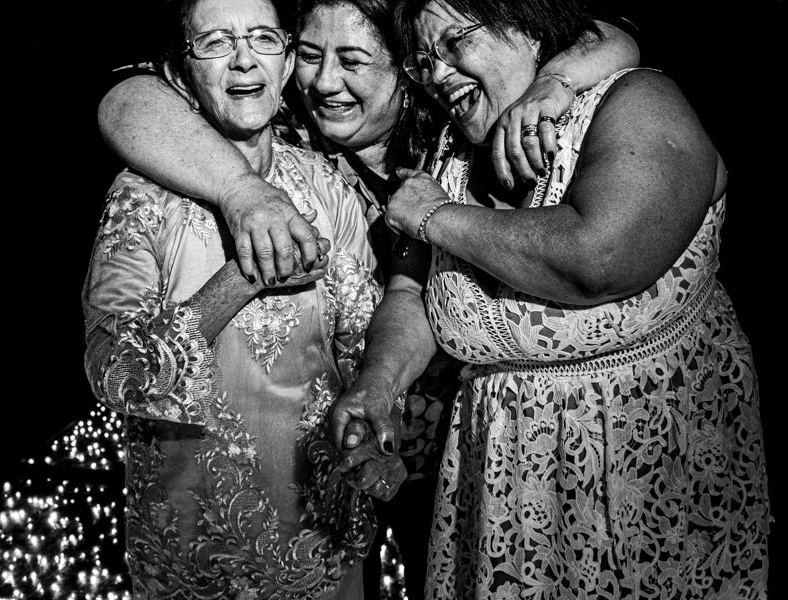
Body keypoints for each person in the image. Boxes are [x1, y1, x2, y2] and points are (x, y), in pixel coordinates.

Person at [95, 1, 640, 598]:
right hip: (306, 482)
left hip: (475, 450)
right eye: (310, 55)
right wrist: (244, 192)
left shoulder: (456, 124)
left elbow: (606, 38)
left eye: (353, 60)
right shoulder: (281, 135)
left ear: (410, 69)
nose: (325, 82)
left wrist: (554, 83)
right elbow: (126, 101)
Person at [330, 0, 772, 597]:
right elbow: (411, 292)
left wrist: (437, 217)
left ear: (529, 26)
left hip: (652, 480)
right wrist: (378, 386)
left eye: (455, 43)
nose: (437, 75)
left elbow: (599, 260)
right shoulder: (449, 156)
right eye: (424, 61)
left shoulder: (634, 101)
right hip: (504, 495)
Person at [81, 0, 405, 596]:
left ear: (285, 64)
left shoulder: (327, 186)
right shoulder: (140, 198)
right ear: (180, 75)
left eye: (263, 39)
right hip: (195, 550)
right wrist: (241, 279)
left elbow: (365, 344)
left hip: (323, 540)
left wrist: (375, 426)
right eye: (215, 43)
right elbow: (115, 370)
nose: (243, 60)